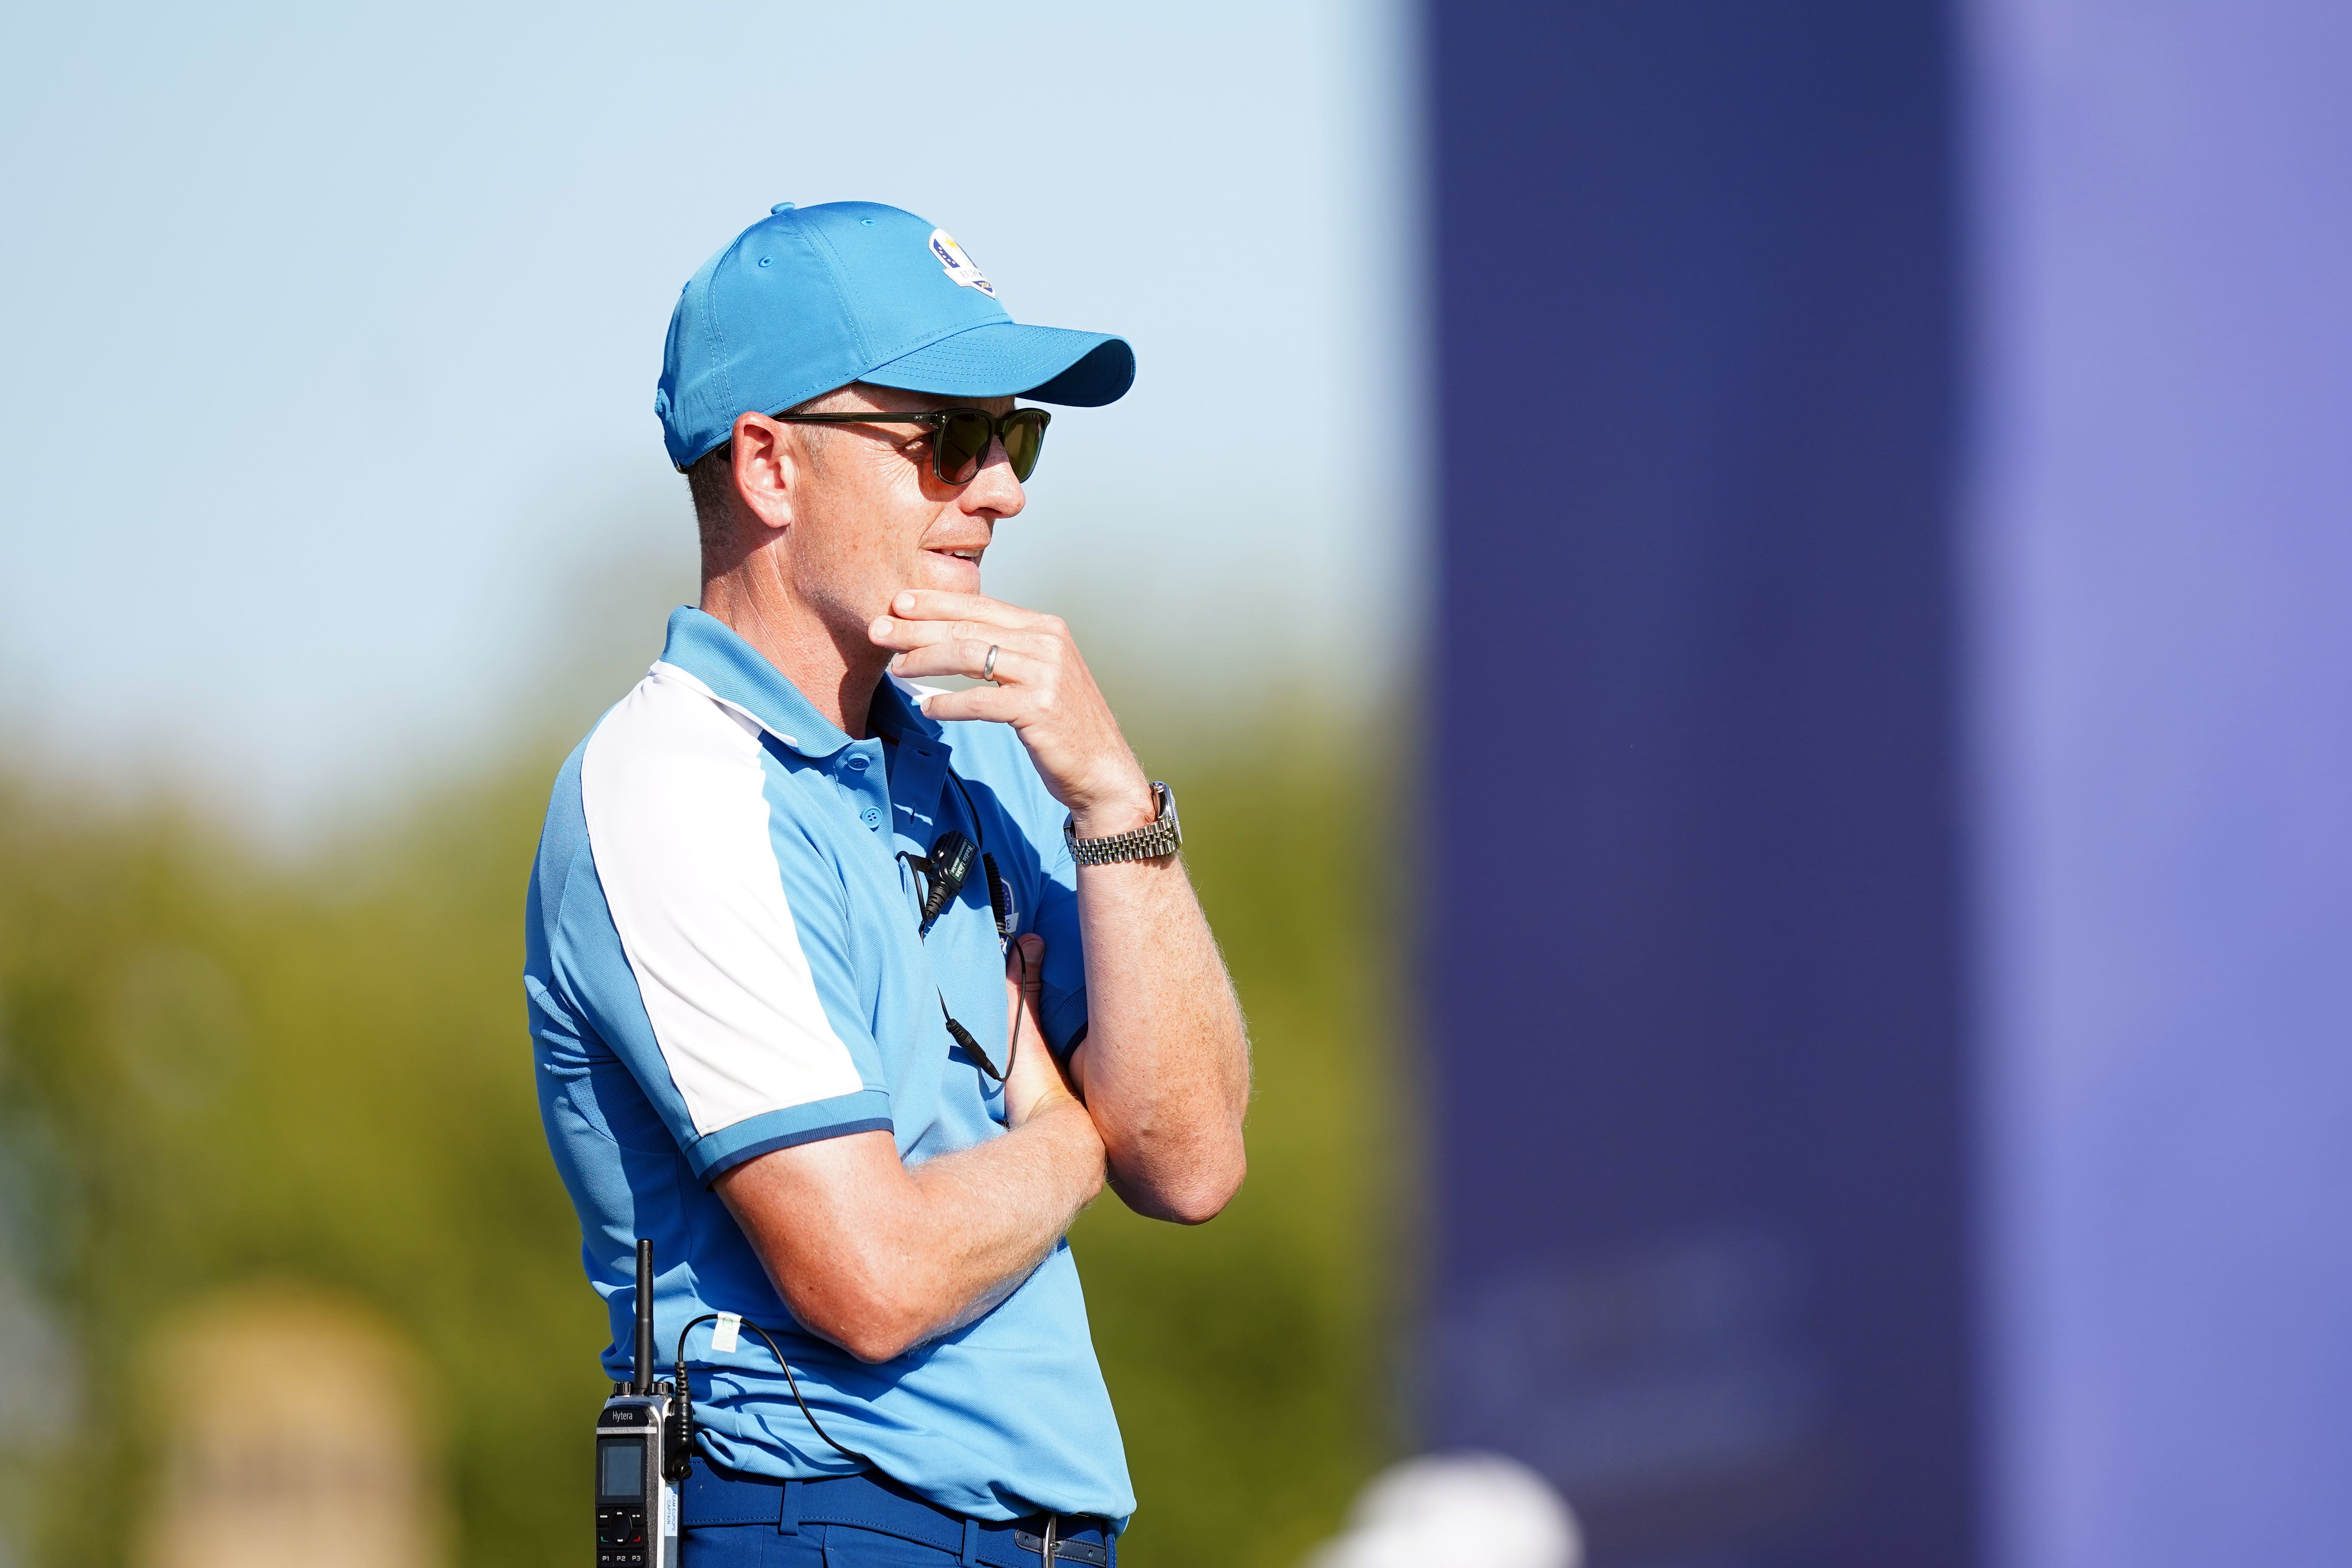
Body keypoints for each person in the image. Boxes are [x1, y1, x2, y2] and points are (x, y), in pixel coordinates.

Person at [524, 200, 1250, 1568]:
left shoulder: (978, 764)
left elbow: (1197, 1157)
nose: (1004, 489)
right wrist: (1067, 1137)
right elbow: (875, 1277)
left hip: (1046, 1536)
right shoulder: (673, 781)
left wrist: (1110, 795)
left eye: (1015, 436)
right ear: (770, 465)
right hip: (823, 1522)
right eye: (946, 440)